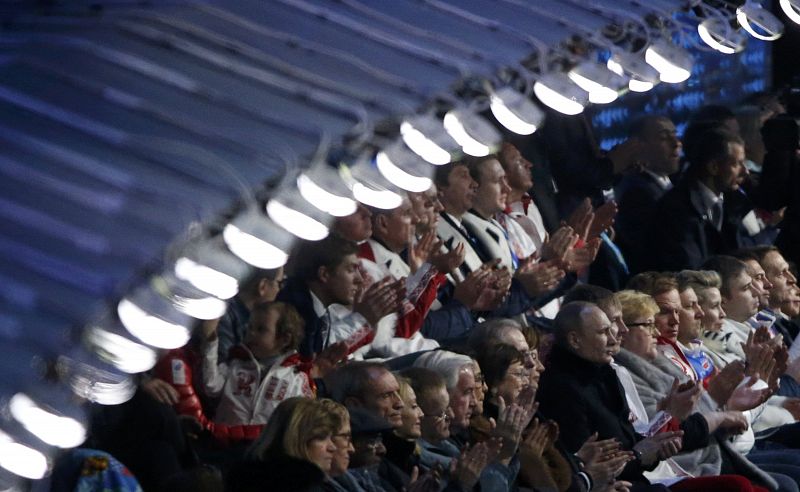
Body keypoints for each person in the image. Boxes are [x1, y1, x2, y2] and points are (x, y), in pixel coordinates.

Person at [537, 301, 684, 490]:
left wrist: (655, 449)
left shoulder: (606, 373)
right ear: (575, 340)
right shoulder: (561, 390)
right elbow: (591, 468)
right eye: (603, 333)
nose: (614, 340)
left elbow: (627, 441)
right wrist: (640, 456)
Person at [278, 235, 402, 359]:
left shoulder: (311, 305)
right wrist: (363, 318)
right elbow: (309, 367)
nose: (359, 279)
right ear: (324, 274)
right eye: (351, 270)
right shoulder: (297, 312)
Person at [201, 302, 313, 434]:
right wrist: (211, 341)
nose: (252, 334)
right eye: (250, 328)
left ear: (285, 339)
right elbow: (211, 386)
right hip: (225, 442)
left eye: (261, 329)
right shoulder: (237, 363)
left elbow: (300, 421)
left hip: (264, 449)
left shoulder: (297, 378)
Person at [646, 129, 749, 270]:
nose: (745, 171)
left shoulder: (734, 202)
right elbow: (689, 268)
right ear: (713, 167)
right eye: (737, 164)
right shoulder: (675, 210)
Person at [615, 116, 682, 274]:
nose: (676, 143)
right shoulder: (636, 193)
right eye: (664, 137)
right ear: (638, 147)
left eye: (675, 134)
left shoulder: (666, 183)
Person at [228, 397, 339, 491]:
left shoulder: (240, 476)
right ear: (295, 438)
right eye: (322, 437)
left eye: (331, 438)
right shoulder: (306, 485)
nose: (333, 447)